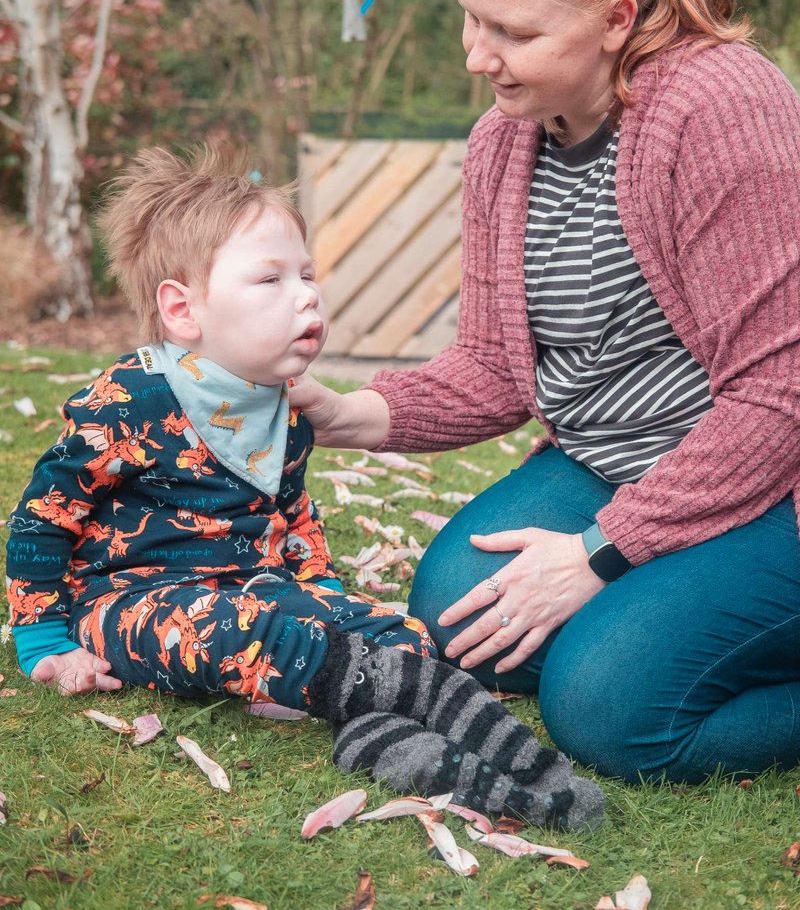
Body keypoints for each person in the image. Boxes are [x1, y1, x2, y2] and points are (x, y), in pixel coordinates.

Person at [290, 0, 800, 787]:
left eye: (513, 32)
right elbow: (495, 365)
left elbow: (779, 395)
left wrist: (601, 554)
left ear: (617, 20)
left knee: (606, 708)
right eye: (472, 18)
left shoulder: (723, 108)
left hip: (771, 484)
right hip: (613, 461)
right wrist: (347, 414)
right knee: (456, 624)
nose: (476, 56)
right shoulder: (506, 137)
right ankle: (658, 612)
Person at [4, 145, 603, 829]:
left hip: (254, 584)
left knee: (397, 629)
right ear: (183, 310)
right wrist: (44, 637)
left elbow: (292, 511)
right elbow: (43, 518)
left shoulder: (286, 403)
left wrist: (320, 589)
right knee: (237, 631)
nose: (307, 293)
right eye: (271, 280)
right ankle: (391, 693)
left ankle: (378, 735)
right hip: (129, 601)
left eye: (308, 274)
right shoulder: (130, 399)